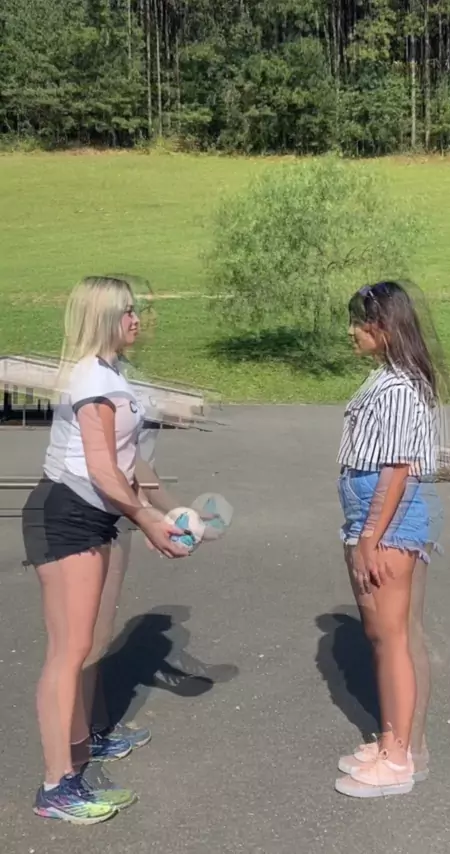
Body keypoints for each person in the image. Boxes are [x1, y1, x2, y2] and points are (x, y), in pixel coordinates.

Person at [22, 276, 189, 824]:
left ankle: (74, 763)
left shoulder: (112, 374)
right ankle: (56, 788)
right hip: (66, 516)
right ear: (102, 319)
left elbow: (131, 464)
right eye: (126, 312)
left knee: (79, 646)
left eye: (135, 310)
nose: (136, 319)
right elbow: (101, 469)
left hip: (87, 516)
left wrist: (170, 513)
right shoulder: (94, 379)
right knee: (67, 652)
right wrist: (147, 520)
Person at [333, 281, 448, 799]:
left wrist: (369, 538)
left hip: (386, 516)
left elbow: (397, 468)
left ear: (384, 327)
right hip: (373, 512)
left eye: (360, 322)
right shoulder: (388, 377)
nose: (352, 331)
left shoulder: (400, 386)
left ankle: (399, 757)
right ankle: (393, 742)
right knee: (385, 634)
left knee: (393, 636)